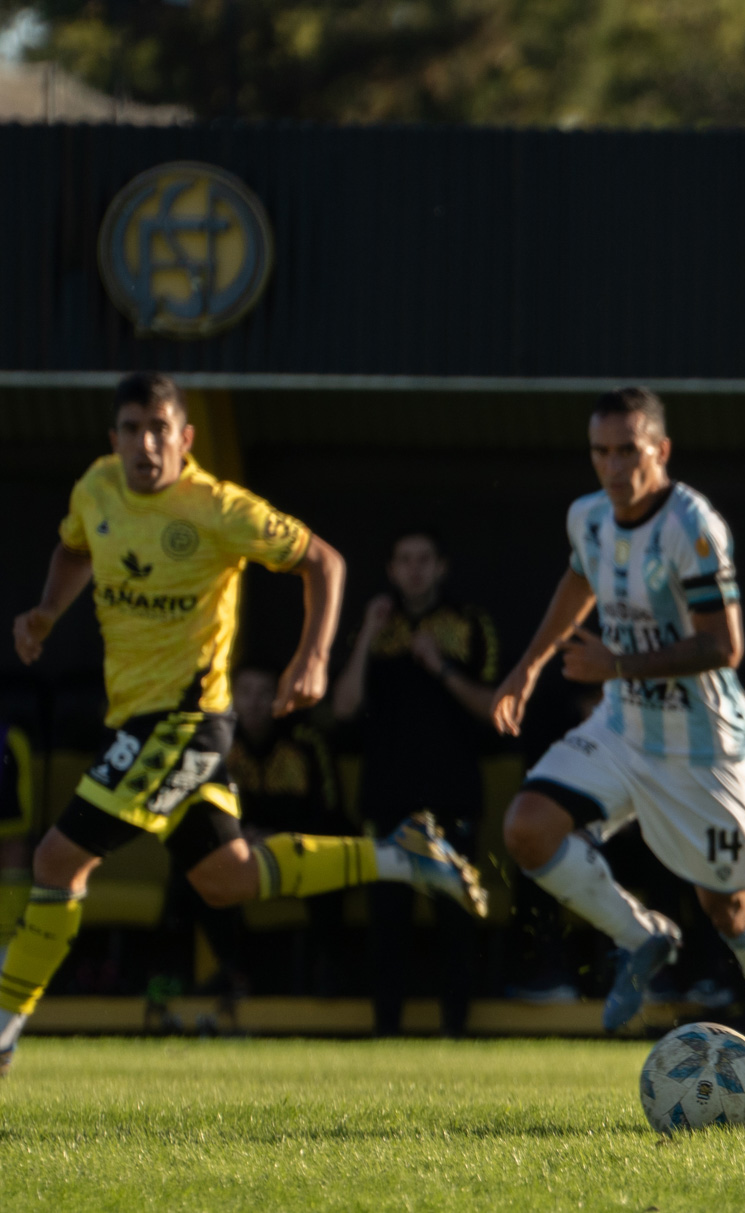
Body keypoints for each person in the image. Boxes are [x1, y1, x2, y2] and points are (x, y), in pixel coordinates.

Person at [2, 373, 486, 1076]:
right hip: (136, 722)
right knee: (225, 877)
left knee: (54, 859)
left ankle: (6, 1031)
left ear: (185, 436)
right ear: (113, 439)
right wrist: (48, 610)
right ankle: (402, 855)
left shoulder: (215, 508)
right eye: (133, 429)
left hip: (182, 722)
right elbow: (76, 547)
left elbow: (324, 560)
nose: (147, 444)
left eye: (160, 429)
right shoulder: (96, 488)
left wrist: (313, 657)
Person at [492, 387, 745, 1082]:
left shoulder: (691, 525)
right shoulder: (588, 516)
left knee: (730, 910)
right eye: (601, 452)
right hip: (624, 725)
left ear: (660, 451)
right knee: (528, 826)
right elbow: (577, 581)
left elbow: (723, 644)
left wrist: (617, 661)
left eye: (629, 452)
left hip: (702, 744)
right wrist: (527, 667)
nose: (614, 467)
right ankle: (640, 936)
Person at [334, 530, 499, 1036]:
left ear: (441, 566)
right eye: (403, 560)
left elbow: (495, 709)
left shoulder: (469, 622)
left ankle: (457, 1030)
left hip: (451, 793)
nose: (414, 570)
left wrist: (441, 665)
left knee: (455, 922)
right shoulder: (375, 626)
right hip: (387, 796)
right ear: (390, 570)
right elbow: (342, 708)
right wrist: (367, 633)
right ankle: (386, 1031)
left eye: (424, 559)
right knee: (388, 924)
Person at [227, 665, 357, 994]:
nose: (254, 703)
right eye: (246, 693)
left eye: (264, 693)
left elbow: (330, 813)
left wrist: (278, 840)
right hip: (244, 858)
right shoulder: (220, 745)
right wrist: (238, 837)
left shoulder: (306, 743)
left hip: (298, 853)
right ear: (231, 699)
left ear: (279, 698)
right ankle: (230, 974)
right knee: (196, 870)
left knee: (327, 868)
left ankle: (328, 975)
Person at [0, 722, 31, 971]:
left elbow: (21, 821)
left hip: (7, 837)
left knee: (13, 850)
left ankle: (7, 952)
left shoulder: (10, 742)